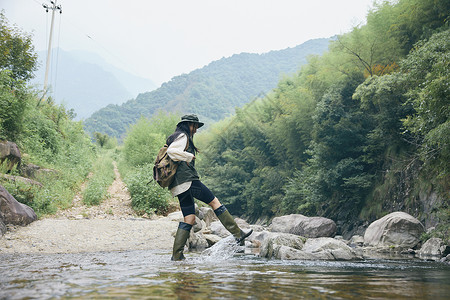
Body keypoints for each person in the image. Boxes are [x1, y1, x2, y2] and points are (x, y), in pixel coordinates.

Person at [167, 114, 253, 261]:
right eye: (195, 127)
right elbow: (171, 152)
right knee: (214, 202)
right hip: (188, 181)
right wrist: (188, 156)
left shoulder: (175, 136)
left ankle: (177, 256)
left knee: (189, 218)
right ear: (189, 125)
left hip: (179, 185)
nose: (196, 130)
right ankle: (238, 235)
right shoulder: (182, 136)